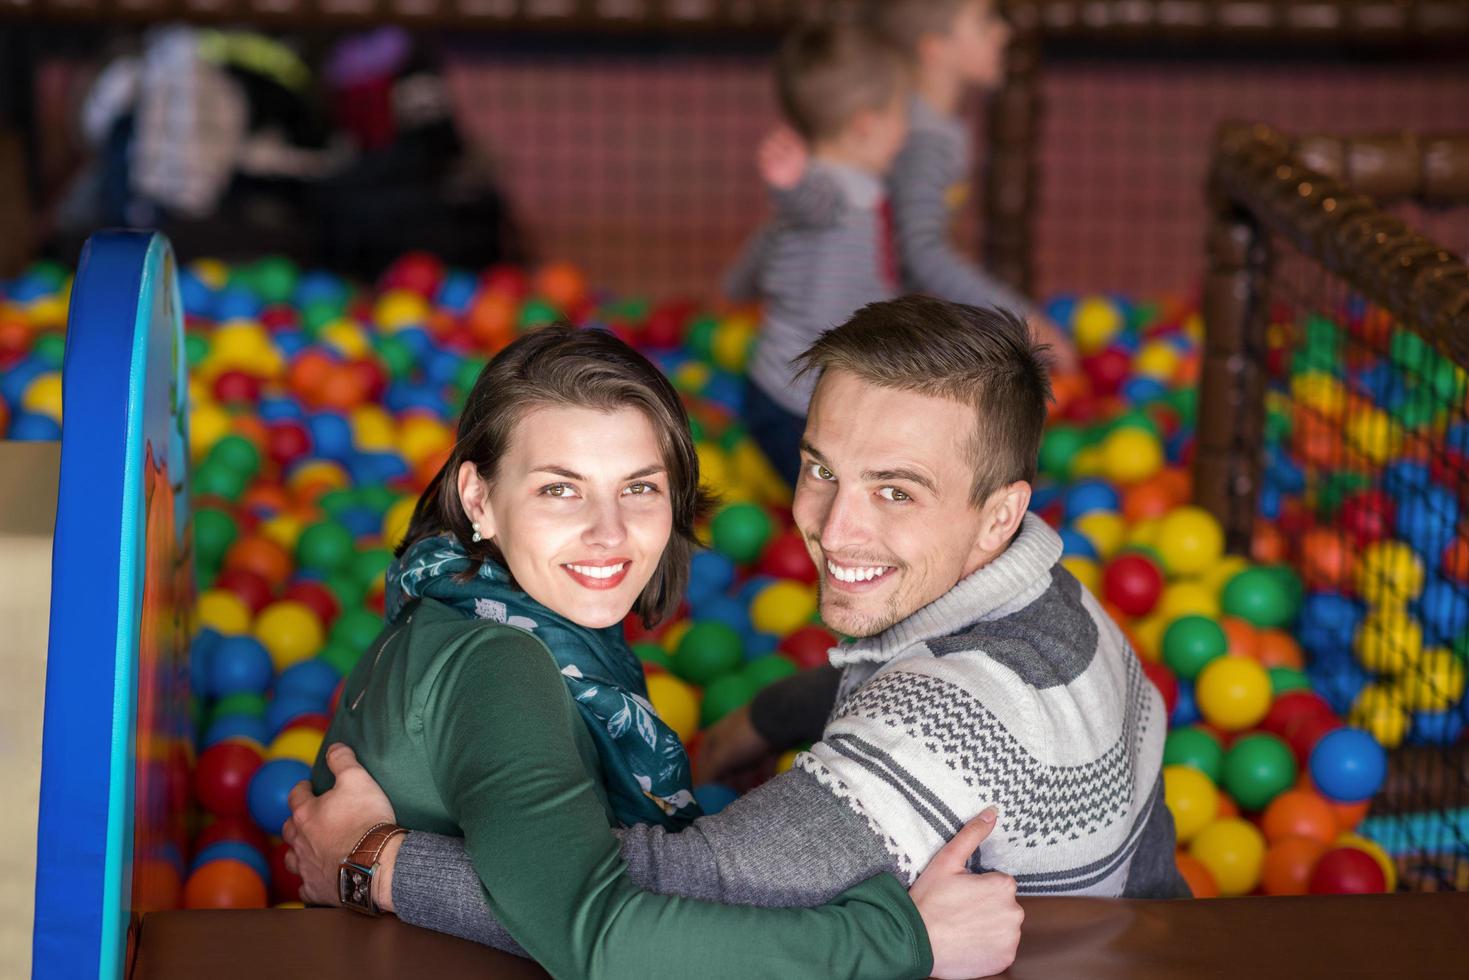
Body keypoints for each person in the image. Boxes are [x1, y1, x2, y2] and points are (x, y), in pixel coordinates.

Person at [287, 299, 1185, 964]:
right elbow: (600, 924)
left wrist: (374, 865)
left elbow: (649, 896)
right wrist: (745, 732)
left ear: (997, 518)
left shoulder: (940, 725)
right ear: (479, 496)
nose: (834, 531)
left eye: (896, 491)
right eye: (820, 470)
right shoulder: (1065, 604)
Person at [724, 22, 911, 488]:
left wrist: (736, 285)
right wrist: (792, 184)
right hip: (799, 403)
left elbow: (770, 241)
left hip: (787, 392)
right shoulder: (831, 191)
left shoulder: (865, 193)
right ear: (867, 124)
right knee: (839, 496)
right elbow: (810, 201)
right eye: (902, 114)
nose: (908, 129)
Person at [867, 0, 1078, 371]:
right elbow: (922, 252)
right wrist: (1021, 319)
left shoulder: (934, 124)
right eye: (985, 22)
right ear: (935, 48)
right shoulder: (924, 138)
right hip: (865, 331)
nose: (1004, 31)